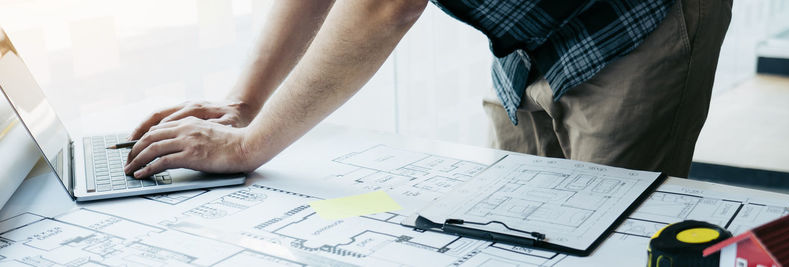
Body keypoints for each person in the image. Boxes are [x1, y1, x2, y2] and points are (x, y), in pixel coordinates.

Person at [123, 0, 732, 179]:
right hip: (525, 36)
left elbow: (386, 7)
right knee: (519, 235)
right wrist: (245, 104)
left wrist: (247, 145)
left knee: (609, 241)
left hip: (636, 21)